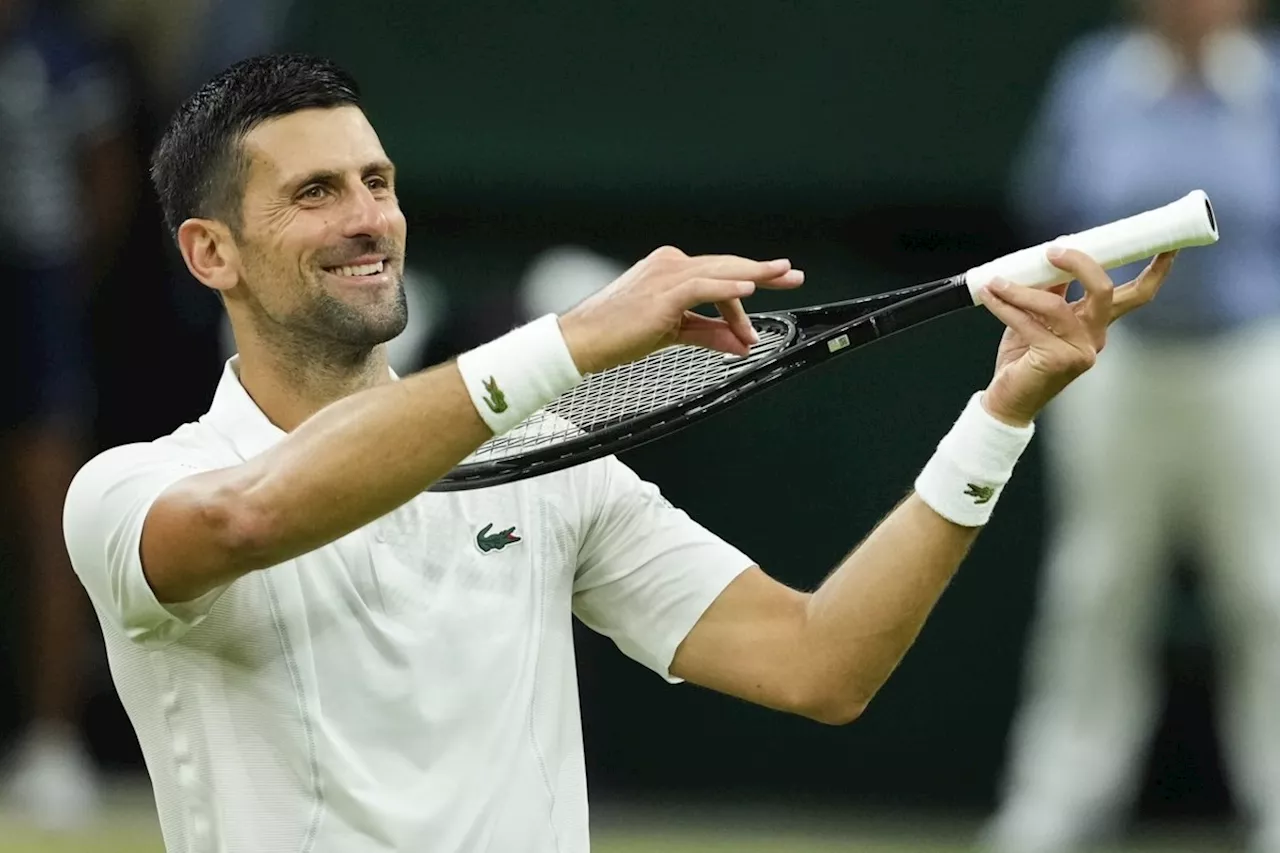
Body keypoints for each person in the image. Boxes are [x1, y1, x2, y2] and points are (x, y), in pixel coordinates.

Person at [62, 53, 1174, 852]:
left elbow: (817, 660)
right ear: (211, 252)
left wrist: (1000, 415)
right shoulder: (131, 491)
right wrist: (573, 339)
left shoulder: (553, 469)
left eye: (378, 182)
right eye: (316, 192)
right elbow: (249, 518)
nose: (367, 218)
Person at [982, 1, 1280, 851]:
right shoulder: (1094, 79)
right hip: (1118, 368)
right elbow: (1051, 206)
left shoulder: (1271, 85)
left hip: (1252, 365)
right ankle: (1054, 809)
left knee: (1269, 587)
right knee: (1098, 583)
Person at [0, 0, 134, 830]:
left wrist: (69, 272)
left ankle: (53, 744)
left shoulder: (63, 46)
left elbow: (107, 172)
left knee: (49, 523)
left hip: (37, 292)